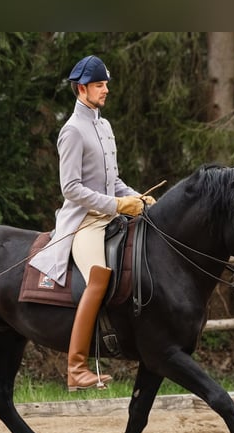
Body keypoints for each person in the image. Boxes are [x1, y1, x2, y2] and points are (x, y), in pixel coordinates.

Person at [29, 54, 155, 392]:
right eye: (100, 85)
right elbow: (70, 188)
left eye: (106, 84)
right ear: (82, 89)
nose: (106, 90)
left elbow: (112, 180)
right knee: (99, 277)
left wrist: (138, 198)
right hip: (84, 221)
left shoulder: (103, 125)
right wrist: (117, 204)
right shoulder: (71, 130)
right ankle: (76, 367)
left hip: (111, 213)